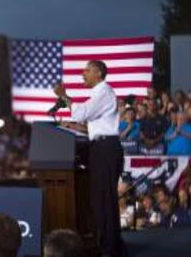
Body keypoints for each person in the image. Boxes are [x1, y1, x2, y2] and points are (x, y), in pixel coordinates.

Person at [54, 60, 124, 257]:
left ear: (99, 73)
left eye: (87, 70)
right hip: (100, 147)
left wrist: (63, 95)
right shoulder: (99, 94)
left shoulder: (104, 92)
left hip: (106, 150)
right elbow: (95, 126)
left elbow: (81, 112)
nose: (82, 73)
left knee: (104, 200)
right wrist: (74, 127)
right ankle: (108, 245)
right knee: (99, 201)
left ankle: (111, 250)